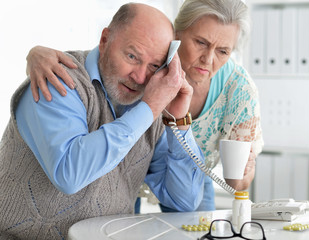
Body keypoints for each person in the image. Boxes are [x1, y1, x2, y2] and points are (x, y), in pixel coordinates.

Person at [26, 0, 264, 213]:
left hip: (188, 174)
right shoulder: (138, 79)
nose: (208, 59)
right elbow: (71, 175)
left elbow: (192, 199)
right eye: (200, 42)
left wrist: (179, 122)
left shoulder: (236, 89)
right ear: (176, 36)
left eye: (223, 51)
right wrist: (35, 52)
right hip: (121, 187)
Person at [0, 3, 206, 240]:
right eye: (132, 56)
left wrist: (179, 121)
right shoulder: (55, 78)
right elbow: (69, 174)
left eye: (153, 66)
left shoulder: (151, 106)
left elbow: (184, 201)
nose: (140, 77)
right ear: (105, 39)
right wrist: (149, 108)